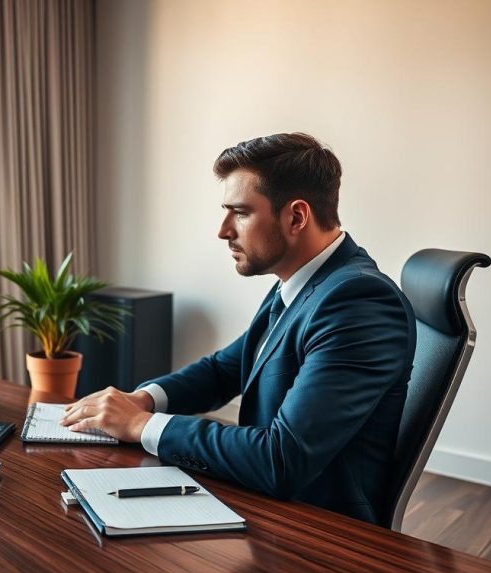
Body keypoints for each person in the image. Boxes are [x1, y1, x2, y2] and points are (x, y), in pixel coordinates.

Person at [62, 132, 416, 524]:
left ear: (296, 217)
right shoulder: (300, 280)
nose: (223, 230)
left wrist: (140, 424)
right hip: (264, 501)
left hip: (315, 532)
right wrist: (142, 400)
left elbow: (282, 459)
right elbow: (225, 369)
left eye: (241, 212)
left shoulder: (358, 301)